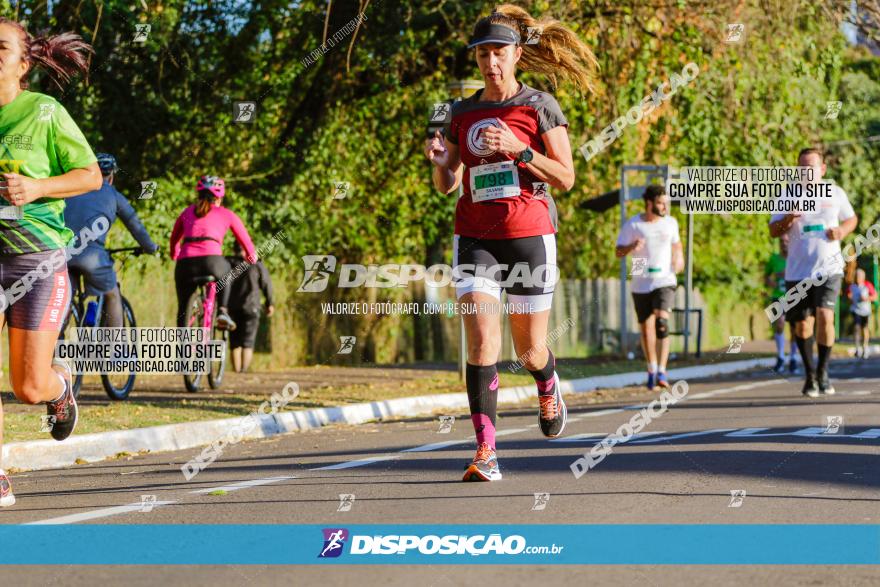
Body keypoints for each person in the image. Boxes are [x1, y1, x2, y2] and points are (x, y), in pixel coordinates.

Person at [424, 5, 596, 481]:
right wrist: (440, 161)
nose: (490, 61)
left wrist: (519, 150)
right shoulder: (460, 112)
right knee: (480, 344)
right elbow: (447, 183)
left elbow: (566, 177)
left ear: (518, 53)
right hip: (474, 237)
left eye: (498, 51)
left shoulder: (539, 106)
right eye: (482, 54)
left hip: (528, 236)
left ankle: (547, 380)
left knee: (527, 352)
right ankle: (485, 452)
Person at [0, 20, 102, 507]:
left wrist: (36, 187)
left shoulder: (43, 111)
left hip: (35, 260)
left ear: (23, 64)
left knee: (27, 386)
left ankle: (58, 389)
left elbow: (91, 175)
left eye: (0, 48)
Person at [769, 148, 858, 397]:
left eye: (812, 167)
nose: (807, 172)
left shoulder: (835, 193)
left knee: (825, 316)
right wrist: (788, 219)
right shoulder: (788, 195)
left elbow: (852, 219)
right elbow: (773, 230)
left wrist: (841, 231)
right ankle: (810, 376)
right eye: (802, 168)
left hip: (829, 268)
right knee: (802, 326)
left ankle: (823, 371)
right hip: (797, 272)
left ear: (822, 169)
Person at [64, 153, 158, 327]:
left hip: (63, 255)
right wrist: (150, 247)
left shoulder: (71, 190)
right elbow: (134, 224)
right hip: (93, 257)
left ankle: (54, 346)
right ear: (111, 176)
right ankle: (117, 349)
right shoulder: (113, 195)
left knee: (65, 298)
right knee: (112, 295)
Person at [615, 185, 684, 390]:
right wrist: (631, 247)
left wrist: (678, 258)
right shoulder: (633, 225)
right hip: (641, 280)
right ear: (649, 203)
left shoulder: (671, 223)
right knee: (646, 330)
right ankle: (652, 368)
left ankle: (662, 370)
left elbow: (677, 245)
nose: (665, 207)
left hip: (665, 279)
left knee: (662, 321)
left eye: (666, 203)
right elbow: (618, 252)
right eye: (661, 203)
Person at [170, 176, 257, 330]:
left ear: (199, 195)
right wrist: (251, 257)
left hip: (185, 264)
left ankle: (183, 347)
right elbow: (246, 241)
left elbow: (174, 238)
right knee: (226, 272)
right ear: (218, 198)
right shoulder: (226, 214)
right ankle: (222, 311)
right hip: (212, 263)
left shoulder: (187, 212)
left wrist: (174, 254)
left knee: (183, 308)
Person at [224, 241, 274, 372]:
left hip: (231, 308)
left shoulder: (228, 263)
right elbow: (266, 284)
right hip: (251, 307)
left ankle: (236, 372)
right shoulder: (256, 264)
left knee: (234, 342)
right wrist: (270, 303)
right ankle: (243, 371)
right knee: (248, 341)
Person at [764, 234, 800, 373]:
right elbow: (766, 276)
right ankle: (780, 357)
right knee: (779, 324)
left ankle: (793, 358)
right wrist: (771, 282)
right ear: (779, 243)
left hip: (794, 297)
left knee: (794, 329)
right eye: (782, 241)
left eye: (787, 241)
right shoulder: (773, 259)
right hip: (778, 297)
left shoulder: (796, 258)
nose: (784, 243)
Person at [847, 268, 876, 359]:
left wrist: (866, 298)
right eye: (856, 276)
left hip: (865, 311)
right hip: (856, 310)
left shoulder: (867, 285)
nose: (857, 278)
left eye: (859, 276)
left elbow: (875, 296)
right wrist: (851, 298)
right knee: (856, 327)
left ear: (863, 277)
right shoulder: (852, 286)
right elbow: (848, 296)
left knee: (864, 328)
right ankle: (857, 348)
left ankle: (865, 347)